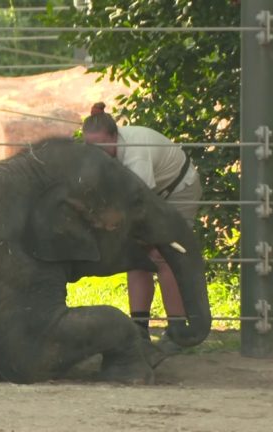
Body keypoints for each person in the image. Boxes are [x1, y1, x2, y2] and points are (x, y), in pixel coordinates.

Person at [81, 102, 201, 346]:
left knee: (164, 255)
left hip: (177, 191)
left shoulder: (136, 152)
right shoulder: (101, 155)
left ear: (116, 137)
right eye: (90, 148)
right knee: (136, 256)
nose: (97, 154)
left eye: (102, 147)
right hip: (147, 196)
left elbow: (139, 201)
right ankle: (140, 331)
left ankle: (177, 331)